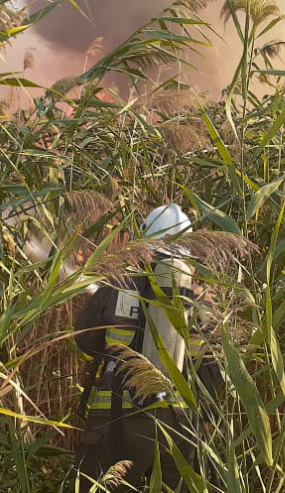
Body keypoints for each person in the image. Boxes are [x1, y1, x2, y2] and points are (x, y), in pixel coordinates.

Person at [72, 203, 221, 492]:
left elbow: (85, 340)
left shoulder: (118, 284)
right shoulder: (200, 299)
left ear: (144, 241)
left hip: (116, 419)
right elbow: (212, 371)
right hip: (177, 426)